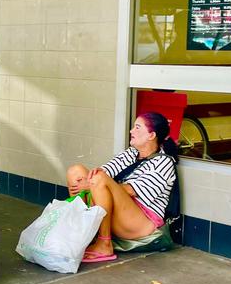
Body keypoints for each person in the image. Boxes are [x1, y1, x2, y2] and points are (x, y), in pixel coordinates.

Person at [65, 112, 178, 263]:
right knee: (76, 171)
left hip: (142, 225)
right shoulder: (131, 153)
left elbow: (131, 190)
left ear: (151, 135)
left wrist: (91, 183)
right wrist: (87, 182)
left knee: (98, 180)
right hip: (119, 214)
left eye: (137, 128)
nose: (131, 131)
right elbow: (104, 171)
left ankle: (104, 243)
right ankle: (78, 236)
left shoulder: (164, 162)